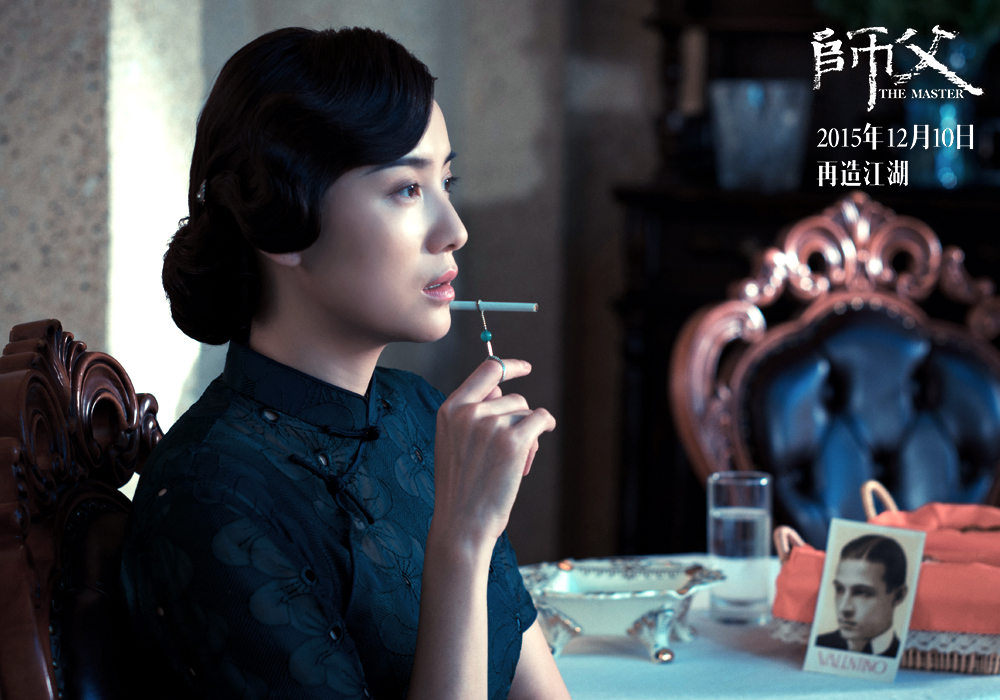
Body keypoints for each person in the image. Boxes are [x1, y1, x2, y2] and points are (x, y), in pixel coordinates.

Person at [120, 26, 571, 700]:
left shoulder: (425, 415)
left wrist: (472, 527)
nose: (455, 229)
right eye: (406, 189)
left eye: (446, 181)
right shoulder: (211, 499)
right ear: (283, 219)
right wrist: (463, 538)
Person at [815, 534, 908, 657]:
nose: (844, 608)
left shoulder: (908, 656)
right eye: (839, 589)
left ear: (898, 596)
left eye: (862, 593)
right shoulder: (817, 645)